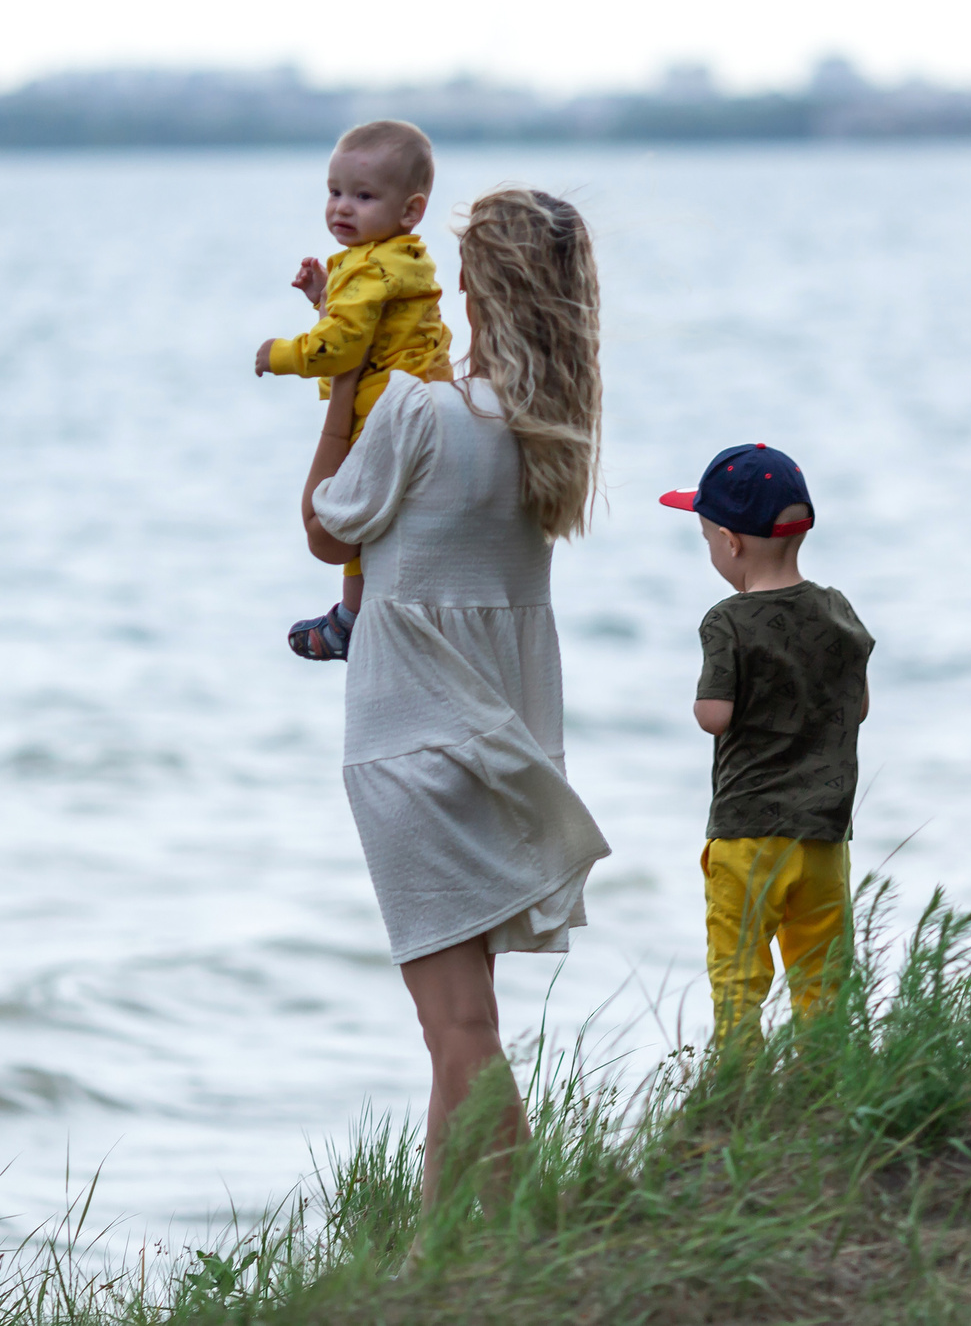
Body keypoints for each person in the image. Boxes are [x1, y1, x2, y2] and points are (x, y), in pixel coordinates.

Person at [301, 184, 611, 1202]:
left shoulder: (420, 411)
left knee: (457, 1030)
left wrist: (343, 382)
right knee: (461, 1028)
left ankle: (509, 1246)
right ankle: (453, 1253)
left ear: (476, 287)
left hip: (407, 740)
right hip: (502, 737)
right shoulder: (553, 433)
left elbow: (326, 526)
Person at [660, 443, 873, 1044]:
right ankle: (828, 1080)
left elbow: (714, 716)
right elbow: (857, 707)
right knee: (823, 979)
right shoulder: (839, 611)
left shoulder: (726, 621)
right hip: (825, 840)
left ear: (731, 542)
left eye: (706, 540)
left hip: (748, 834)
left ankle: (737, 1085)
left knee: (738, 979)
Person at [256, 119, 455, 662]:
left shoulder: (374, 270)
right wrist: (324, 299)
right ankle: (354, 610)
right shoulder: (397, 260)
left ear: (410, 211)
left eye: (364, 196)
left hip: (381, 412)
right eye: (335, 192)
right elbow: (367, 330)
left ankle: (350, 615)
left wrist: (279, 353)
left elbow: (343, 349)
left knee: (349, 512)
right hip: (420, 398)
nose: (342, 207)